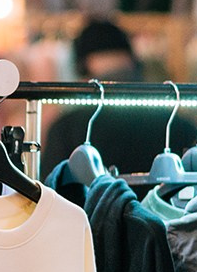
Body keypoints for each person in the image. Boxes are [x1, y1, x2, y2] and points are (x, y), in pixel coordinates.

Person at [39, 17, 189, 174]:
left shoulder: (66, 129)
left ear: (82, 67)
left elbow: (51, 189)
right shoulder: (178, 126)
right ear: (133, 61)